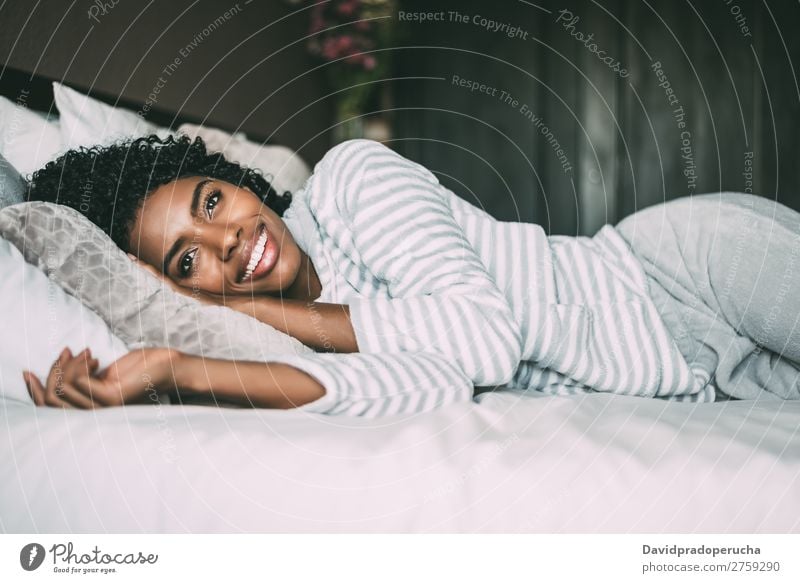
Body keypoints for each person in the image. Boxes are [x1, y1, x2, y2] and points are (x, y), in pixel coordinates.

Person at [22, 135, 800, 416]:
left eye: (213, 200)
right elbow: (428, 387)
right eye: (188, 258)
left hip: (680, 272)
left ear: (239, 180)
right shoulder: (283, 351)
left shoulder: (354, 178)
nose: (228, 240)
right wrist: (181, 366)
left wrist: (260, 313)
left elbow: (485, 342)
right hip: (694, 378)